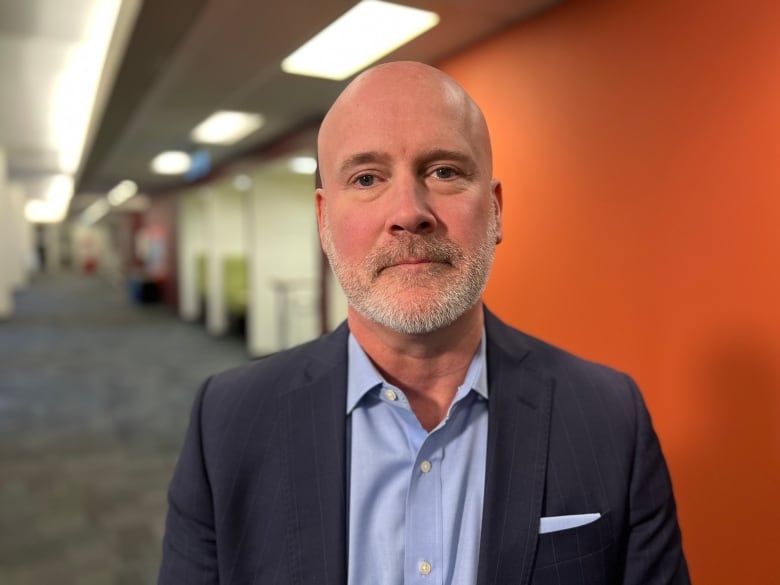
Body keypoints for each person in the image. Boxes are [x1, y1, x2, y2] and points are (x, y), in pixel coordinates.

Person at [158, 61, 690, 585]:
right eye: (367, 178)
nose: (409, 212)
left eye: (444, 172)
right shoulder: (227, 423)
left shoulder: (609, 417)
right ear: (323, 220)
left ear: (497, 210)